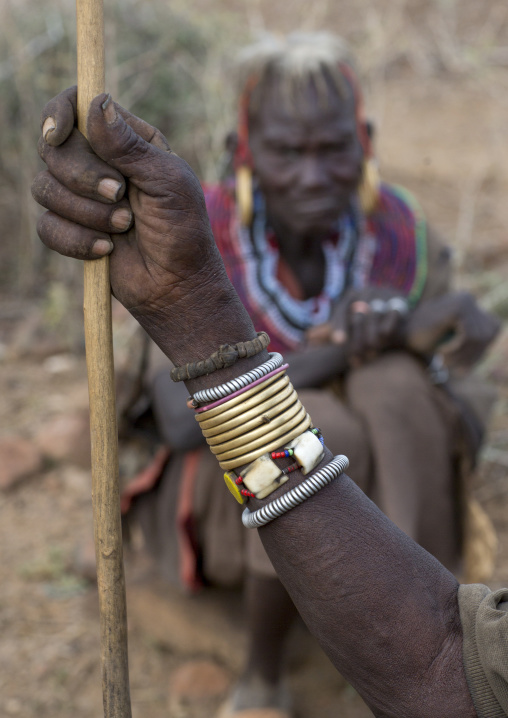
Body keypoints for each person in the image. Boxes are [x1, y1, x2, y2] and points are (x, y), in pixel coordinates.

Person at [32, 36, 504, 718]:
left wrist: (425, 333)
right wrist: (336, 352)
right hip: (236, 503)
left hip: (377, 508)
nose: (313, 174)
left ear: (365, 140)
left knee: (400, 386)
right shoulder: (199, 229)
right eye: (287, 152)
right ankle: (263, 669)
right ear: (244, 147)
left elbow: (461, 398)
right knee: (324, 422)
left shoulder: (398, 232)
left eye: (333, 148)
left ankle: (427, 643)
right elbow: (171, 416)